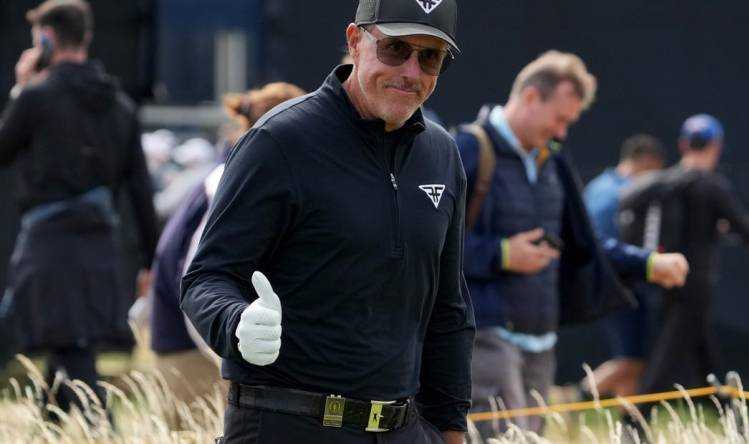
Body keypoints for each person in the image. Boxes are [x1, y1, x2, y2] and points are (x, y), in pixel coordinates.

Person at [180, 1, 474, 443]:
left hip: (404, 429)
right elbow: (206, 278)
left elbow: (448, 312)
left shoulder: (441, 155)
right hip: (287, 425)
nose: (411, 72)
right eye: (395, 49)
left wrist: (451, 432)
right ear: (356, 41)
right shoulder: (279, 141)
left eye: (430, 57)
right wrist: (235, 322)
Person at [453, 51, 688, 437]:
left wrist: (646, 263)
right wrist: (501, 254)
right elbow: (429, 242)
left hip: (541, 342)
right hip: (484, 337)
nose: (563, 132)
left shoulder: (553, 161)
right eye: (560, 119)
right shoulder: (467, 149)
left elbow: (582, 242)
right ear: (531, 97)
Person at [0, 0, 157, 417]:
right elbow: (140, 189)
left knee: (72, 345)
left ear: (47, 39)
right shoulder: (121, 106)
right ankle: (50, 423)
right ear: (85, 37)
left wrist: (20, 88)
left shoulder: (36, 98)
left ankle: (100, 427)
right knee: (68, 341)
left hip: (50, 245)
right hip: (99, 244)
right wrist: (149, 260)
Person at [619, 114, 749, 424]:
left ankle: (734, 422)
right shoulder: (711, 185)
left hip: (668, 280)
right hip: (696, 285)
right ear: (716, 146)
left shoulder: (667, 182)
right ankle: (636, 417)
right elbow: (746, 228)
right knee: (668, 357)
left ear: (683, 144)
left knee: (703, 358)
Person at [148, 82, 305, 404]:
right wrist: (230, 355)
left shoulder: (239, 172)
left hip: (196, 343)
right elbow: (197, 279)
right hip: (193, 351)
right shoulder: (230, 180)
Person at [579, 134, 666, 399]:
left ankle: (630, 427)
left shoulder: (598, 186)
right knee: (632, 360)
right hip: (619, 287)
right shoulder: (621, 193)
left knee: (630, 357)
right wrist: (650, 261)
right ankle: (575, 395)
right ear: (648, 163)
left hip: (607, 285)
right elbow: (607, 245)